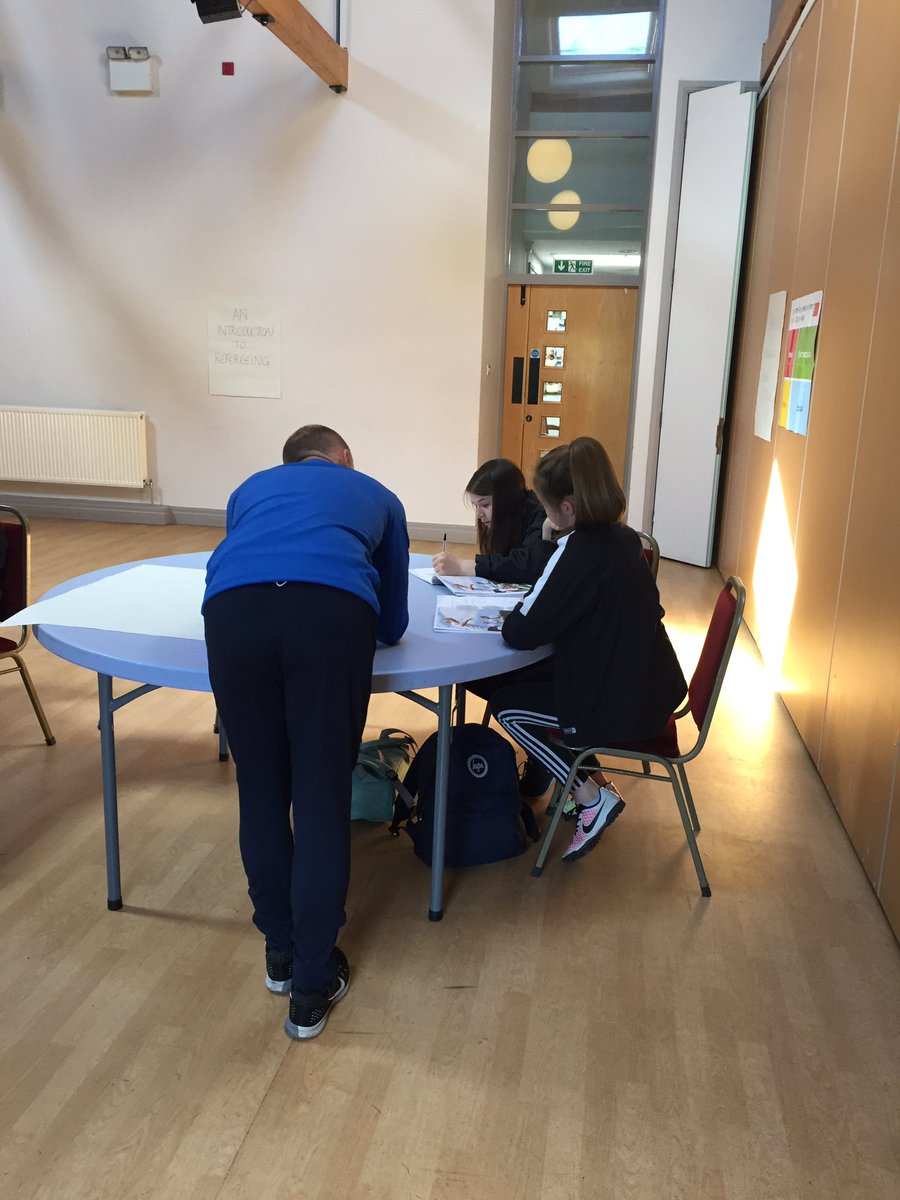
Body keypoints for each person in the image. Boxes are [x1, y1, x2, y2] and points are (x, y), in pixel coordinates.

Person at [202, 424, 409, 1040]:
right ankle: (313, 988)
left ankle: (281, 955)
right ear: (342, 458)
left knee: (261, 789)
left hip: (232, 616)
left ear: (286, 464)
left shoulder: (248, 490)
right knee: (320, 797)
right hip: (329, 616)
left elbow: (244, 559)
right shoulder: (375, 493)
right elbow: (393, 622)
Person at [490, 437, 687, 862]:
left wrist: (545, 548)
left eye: (545, 506)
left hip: (618, 704)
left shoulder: (578, 553)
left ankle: (590, 795)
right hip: (646, 684)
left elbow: (521, 632)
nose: (543, 514)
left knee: (509, 705)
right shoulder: (621, 540)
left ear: (567, 509)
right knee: (526, 683)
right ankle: (585, 782)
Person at [431, 458, 557, 584]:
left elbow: (527, 565)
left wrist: (462, 566)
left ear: (507, 500)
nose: (479, 514)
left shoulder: (540, 513)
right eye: (475, 506)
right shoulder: (507, 519)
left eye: (485, 505)